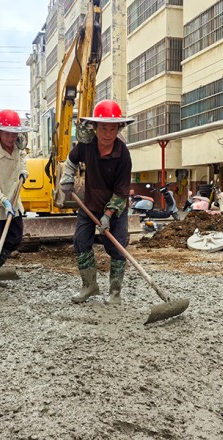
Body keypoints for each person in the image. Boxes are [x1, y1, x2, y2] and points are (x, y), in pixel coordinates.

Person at [59, 99, 133, 304]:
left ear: (119, 128)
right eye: (103, 128)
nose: (108, 134)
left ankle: (115, 292)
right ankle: (89, 286)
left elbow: (121, 191)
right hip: (89, 203)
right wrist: (67, 177)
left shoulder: (122, 154)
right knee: (81, 241)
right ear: (95, 127)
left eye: (112, 129)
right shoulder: (86, 145)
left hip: (116, 206)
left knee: (117, 247)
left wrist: (108, 215)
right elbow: (71, 160)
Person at [0, 109, 29, 290]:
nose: (11, 138)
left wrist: (23, 171)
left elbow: (22, 158)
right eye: (7, 133)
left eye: (14, 134)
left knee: (15, 237)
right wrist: (3, 201)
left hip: (14, 200)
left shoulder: (18, 147)